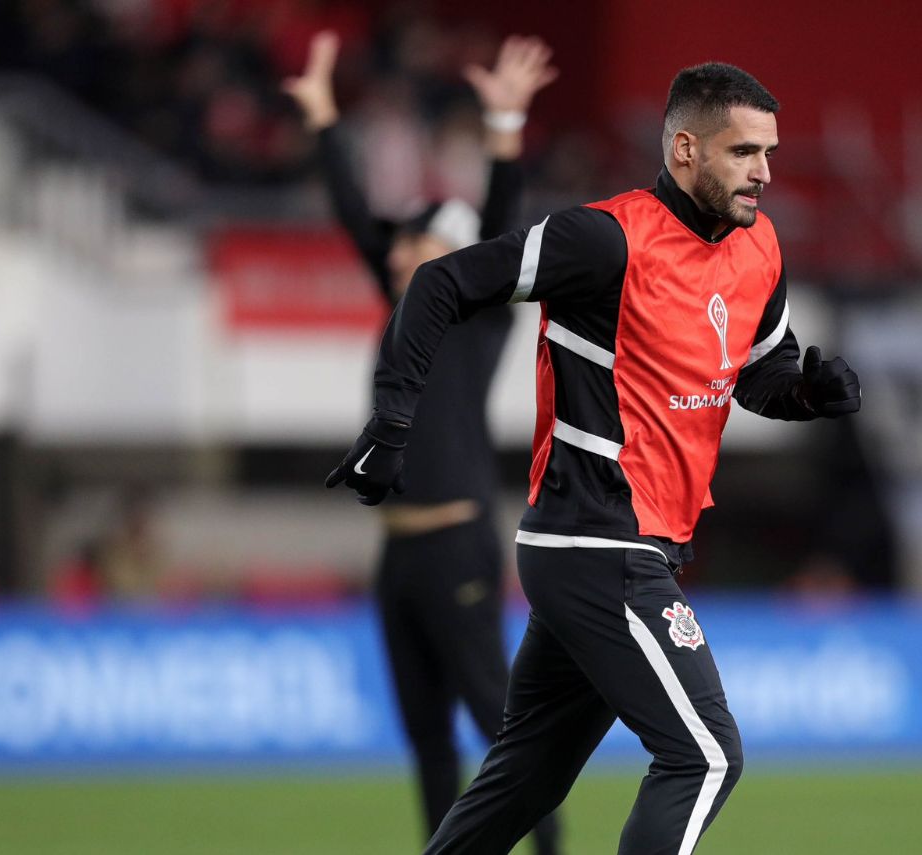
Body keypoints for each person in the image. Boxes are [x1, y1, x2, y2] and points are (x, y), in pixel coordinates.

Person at [327, 62, 862, 854]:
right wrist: (393, 419)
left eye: (769, 152)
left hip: (619, 546)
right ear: (685, 148)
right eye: (744, 152)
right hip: (598, 540)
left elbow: (757, 373)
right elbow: (441, 282)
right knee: (706, 755)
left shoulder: (760, 249)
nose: (765, 172)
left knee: (525, 780)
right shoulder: (606, 238)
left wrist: (807, 392)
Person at [283, 31, 562, 853]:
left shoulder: (470, 318)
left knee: (498, 728)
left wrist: (505, 118)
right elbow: (351, 216)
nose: (402, 250)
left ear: (460, 259)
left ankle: (552, 848)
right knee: (428, 739)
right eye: (403, 242)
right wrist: (327, 120)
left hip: (455, 543)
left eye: (423, 241)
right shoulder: (405, 305)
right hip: (398, 553)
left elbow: (505, 214)